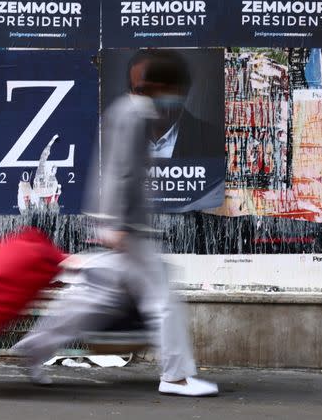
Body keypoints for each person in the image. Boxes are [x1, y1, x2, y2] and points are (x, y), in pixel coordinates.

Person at [12, 52, 219, 397]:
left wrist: (108, 220)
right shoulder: (136, 115)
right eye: (175, 88)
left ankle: (34, 346)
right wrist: (116, 223)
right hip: (127, 227)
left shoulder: (125, 110)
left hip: (118, 224)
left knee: (96, 298)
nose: (178, 96)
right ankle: (175, 377)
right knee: (162, 301)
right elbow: (121, 170)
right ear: (161, 86)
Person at [127, 50, 221, 160]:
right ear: (131, 95)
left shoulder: (215, 141)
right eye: (142, 91)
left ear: (183, 91)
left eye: (161, 88)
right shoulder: (115, 140)